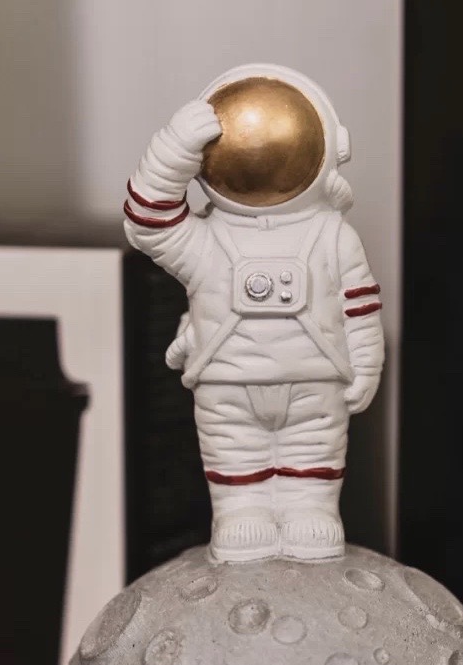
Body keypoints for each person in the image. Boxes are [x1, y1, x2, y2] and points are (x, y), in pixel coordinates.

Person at [123, 64, 384, 562]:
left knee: (314, 449)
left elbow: (359, 308)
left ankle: (312, 510)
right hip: (227, 382)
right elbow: (148, 223)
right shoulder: (205, 241)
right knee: (232, 450)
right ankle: (240, 512)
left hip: (314, 379)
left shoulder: (333, 236)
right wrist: (172, 153)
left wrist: (366, 363)